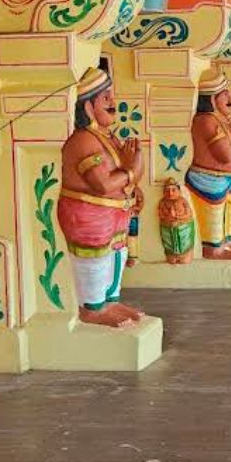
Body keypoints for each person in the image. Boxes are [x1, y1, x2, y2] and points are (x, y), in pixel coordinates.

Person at [56, 67, 145, 329]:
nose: (112, 102)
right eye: (105, 98)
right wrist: (132, 171)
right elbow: (102, 185)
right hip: (89, 215)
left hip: (115, 213)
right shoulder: (83, 140)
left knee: (118, 254)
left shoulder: (107, 137)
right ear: (88, 107)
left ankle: (111, 302)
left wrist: (133, 187)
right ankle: (93, 308)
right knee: (95, 260)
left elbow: (120, 174)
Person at [186, 70, 231, 259]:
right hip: (208, 180)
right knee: (214, 217)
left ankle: (227, 244)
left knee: (227, 216)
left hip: (226, 179)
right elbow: (226, 156)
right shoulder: (206, 121)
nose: (230, 98)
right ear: (212, 99)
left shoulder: (218, 119)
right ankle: (213, 249)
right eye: (225, 94)